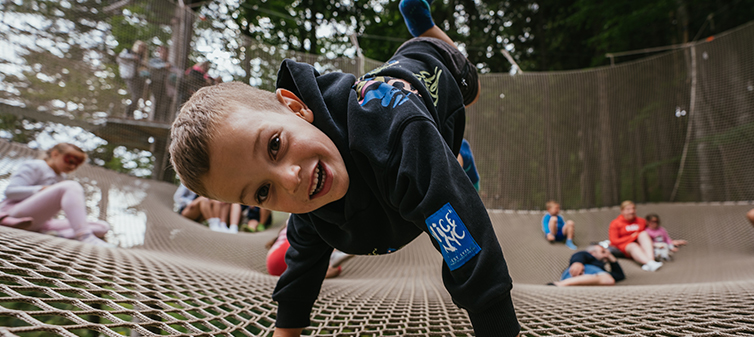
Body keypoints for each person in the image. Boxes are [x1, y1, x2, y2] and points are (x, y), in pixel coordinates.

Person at [168, 0, 521, 335]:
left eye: (275, 146)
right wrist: (287, 328)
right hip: (413, 126)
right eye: (263, 191)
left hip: (433, 67)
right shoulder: (307, 191)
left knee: (470, 92)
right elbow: (303, 258)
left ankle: (425, 28)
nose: (289, 180)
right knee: (428, 162)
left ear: (294, 107)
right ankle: (450, 153)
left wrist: (497, 325)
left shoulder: (392, 135)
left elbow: (461, 230)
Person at [0, 143, 114, 247]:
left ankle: (55, 235)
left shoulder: (61, 177)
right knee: (71, 186)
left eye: (77, 165)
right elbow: (11, 192)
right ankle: (84, 236)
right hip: (13, 215)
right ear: (55, 154)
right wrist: (42, 189)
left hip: (41, 224)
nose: (72, 167)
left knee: (102, 226)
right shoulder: (36, 166)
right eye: (70, 161)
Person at [265, 223, 353, 278]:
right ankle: (331, 258)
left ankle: (330, 262)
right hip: (292, 254)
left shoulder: (283, 233)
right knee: (319, 238)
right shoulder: (298, 221)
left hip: (273, 265)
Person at [608, 201, 662, 271]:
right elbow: (614, 241)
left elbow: (653, 232)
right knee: (633, 245)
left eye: (633, 209)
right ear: (622, 211)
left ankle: (651, 262)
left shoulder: (641, 221)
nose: (632, 211)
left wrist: (669, 241)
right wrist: (632, 237)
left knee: (643, 234)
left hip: (641, 246)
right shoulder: (615, 223)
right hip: (624, 248)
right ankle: (649, 262)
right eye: (628, 209)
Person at [548, 244, 625, 286]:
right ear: (592, 253)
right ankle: (560, 285)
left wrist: (611, 258)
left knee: (608, 278)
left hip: (589, 277)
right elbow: (580, 254)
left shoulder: (601, 270)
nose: (606, 255)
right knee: (608, 279)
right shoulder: (587, 257)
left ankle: (561, 284)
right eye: (603, 252)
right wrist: (577, 262)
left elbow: (619, 275)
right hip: (578, 272)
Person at [174, 184, 239, 233]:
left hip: (201, 212)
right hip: (187, 210)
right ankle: (212, 224)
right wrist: (190, 202)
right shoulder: (186, 182)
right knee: (203, 199)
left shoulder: (206, 183)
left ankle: (219, 224)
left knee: (216, 201)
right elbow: (177, 197)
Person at [117, 40, 148, 118]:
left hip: (138, 77)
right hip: (129, 76)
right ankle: (127, 113)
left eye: (143, 47)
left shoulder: (141, 57)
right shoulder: (128, 51)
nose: (142, 48)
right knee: (136, 95)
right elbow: (120, 58)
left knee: (138, 95)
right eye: (141, 46)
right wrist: (132, 57)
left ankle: (131, 114)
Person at [148, 45, 174, 123]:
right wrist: (164, 66)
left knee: (166, 102)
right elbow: (153, 66)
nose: (164, 54)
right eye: (162, 52)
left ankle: (165, 120)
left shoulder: (169, 63)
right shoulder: (154, 61)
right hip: (156, 83)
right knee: (157, 101)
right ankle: (155, 119)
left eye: (166, 53)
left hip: (166, 85)